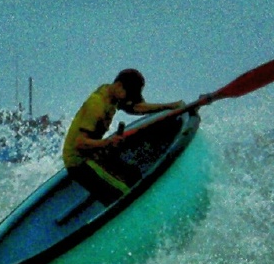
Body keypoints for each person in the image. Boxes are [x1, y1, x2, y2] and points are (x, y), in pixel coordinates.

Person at [62, 68, 184, 204]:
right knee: (123, 193)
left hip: (94, 153)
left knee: (134, 175)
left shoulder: (112, 93)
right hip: (80, 162)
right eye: (128, 94)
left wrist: (170, 106)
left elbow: (136, 107)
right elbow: (80, 142)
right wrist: (107, 142)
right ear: (119, 85)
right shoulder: (96, 105)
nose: (128, 99)